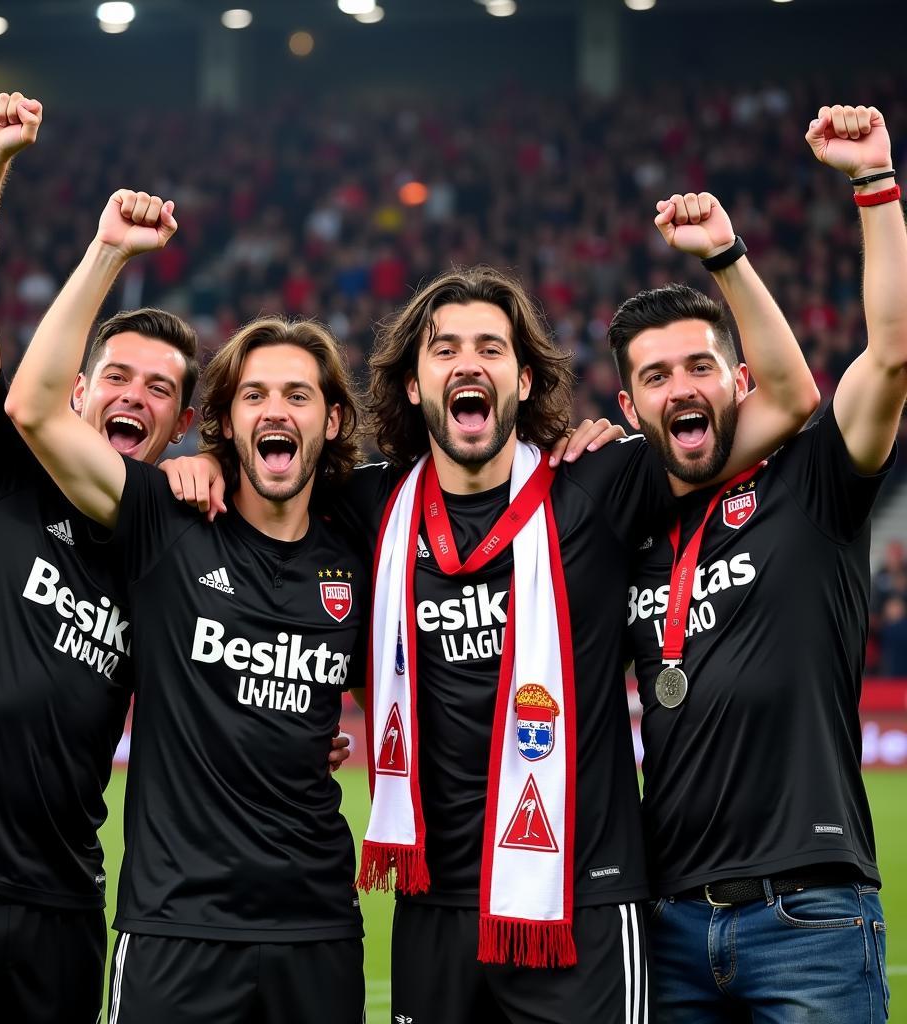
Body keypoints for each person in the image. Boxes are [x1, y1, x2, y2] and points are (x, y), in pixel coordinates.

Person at [338, 182, 818, 1024]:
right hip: (434, 908)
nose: (467, 365)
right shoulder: (371, 505)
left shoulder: (594, 485)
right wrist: (198, 464)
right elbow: (250, 483)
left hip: (585, 905)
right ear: (413, 387)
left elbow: (787, 399)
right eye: (443, 349)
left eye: (492, 348)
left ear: (524, 381)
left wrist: (725, 259)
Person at [5, 190, 370, 1024]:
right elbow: (32, 409)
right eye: (254, 397)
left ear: (333, 418)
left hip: (318, 924)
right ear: (223, 424)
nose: (276, 410)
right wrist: (109, 253)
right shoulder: (163, 520)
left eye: (299, 395)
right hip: (175, 928)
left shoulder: (360, 554)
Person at [0, 93, 200, 1023]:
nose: (135, 395)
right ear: (80, 389)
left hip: (63, 897)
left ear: (180, 425)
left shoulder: (162, 543)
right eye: (118, 376)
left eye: (161, 390)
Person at [616, 103, 904, 1022]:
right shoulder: (628, 529)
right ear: (630, 409)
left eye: (699, 366)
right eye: (655, 377)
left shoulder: (815, 482)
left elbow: (893, 357)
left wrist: (873, 183)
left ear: (739, 381)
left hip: (810, 911)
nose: (680, 388)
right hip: (666, 921)